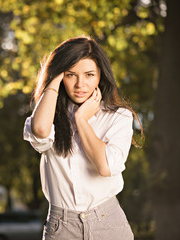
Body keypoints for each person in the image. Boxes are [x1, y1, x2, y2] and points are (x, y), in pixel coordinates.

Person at [23, 36, 142, 240]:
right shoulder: (50, 115)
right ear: (60, 77)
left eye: (89, 75)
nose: (80, 84)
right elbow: (41, 131)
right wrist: (53, 80)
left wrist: (81, 120)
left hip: (109, 223)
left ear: (100, 76)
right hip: (61, 228)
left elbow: (105, 167)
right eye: (70, 75)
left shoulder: (119, 116)